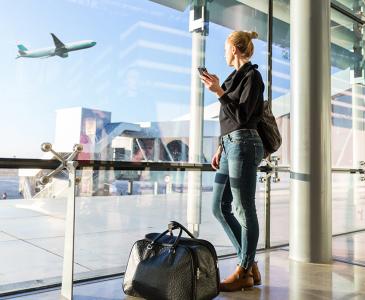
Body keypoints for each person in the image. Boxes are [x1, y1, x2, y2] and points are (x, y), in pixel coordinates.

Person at [200, 30, 264, 292]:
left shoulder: (252, 76)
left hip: (245, 143)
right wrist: (219, 146)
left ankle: (244, 270)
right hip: (229, 146)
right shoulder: (231, 78)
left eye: (226, 48)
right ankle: (248, 264)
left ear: (235, 49)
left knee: (243, 207)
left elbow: (241, 115)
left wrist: (218, 92)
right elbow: (228, 119)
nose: (224, 53)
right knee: (218, 207)